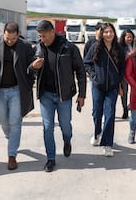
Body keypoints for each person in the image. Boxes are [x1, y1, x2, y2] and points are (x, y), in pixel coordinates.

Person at [30, 20, 86, 172]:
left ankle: (67, 141)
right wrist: (32, 67)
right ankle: (50, 158)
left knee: (65, 126)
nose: (43, 39)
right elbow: (29, 69)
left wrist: (82, 94)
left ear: (52, 32)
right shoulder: (38, 48)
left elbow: (80, 71)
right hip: (46, 95)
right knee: (47, 127)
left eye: (45, 36)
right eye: (40, 36)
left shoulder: (69, 48)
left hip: (64, 95)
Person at [0, 22, 35, 170]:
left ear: (18, 34)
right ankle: (10, 139)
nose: (10, 41)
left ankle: (12, 155)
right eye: (7, 38)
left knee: (15, 121)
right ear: (3, 33)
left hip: (17, 89)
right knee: (2, 119)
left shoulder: (25, 46)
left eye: (13, 38)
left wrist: (29, 82)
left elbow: (31, 66)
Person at [84, 22, 125, 157]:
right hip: (97, 86)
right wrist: (93, 75)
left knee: (110, 114)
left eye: (111, 32)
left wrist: (118, 79)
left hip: (112, 87)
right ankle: (97, 133)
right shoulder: (96, 47)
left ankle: (107, 144)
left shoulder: (118, 48)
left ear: (114, 33)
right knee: (97, 113)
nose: (108, 34)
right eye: (106, 32)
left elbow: (123, 67)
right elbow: (87, 62)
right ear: (102, 34)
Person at [119, 29, 135, 119]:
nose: (129, 38)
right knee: (124, 92)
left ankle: (132, 106)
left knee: (134, 91)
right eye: (127, 37)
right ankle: (125, 109)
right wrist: (127, 56)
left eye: (131, 37)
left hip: (133, 72)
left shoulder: (135, 46)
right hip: (124, 73)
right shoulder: (120, 47)